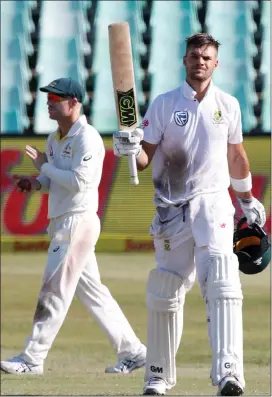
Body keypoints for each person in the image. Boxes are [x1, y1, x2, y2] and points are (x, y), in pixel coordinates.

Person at [113, 34, 266, 396]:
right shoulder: (164, 104)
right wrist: (129, 149)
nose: (200, 60)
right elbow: (145, 157)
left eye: (207, 56)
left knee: (223, 281)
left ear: (216, 64)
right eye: (195, 55)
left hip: (214, 205)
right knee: (165, 289)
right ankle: (157, 377)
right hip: (171, 207)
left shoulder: (228, 105)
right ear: (185, 60)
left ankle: (229, 374)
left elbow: (236, 156)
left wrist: (246, 200)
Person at [1, 77, 146, 375]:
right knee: (94, 292)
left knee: (54, 289)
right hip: (63, 219)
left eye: (55, 100)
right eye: (48, 100)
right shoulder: (54, 139)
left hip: (78, 221)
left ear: (74, 102)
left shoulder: (87, 137)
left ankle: (32, 359)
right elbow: (55, 179)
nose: (49, 105)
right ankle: (133, 351)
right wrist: (36, 182)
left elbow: (81, 182)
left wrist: (43, 166)